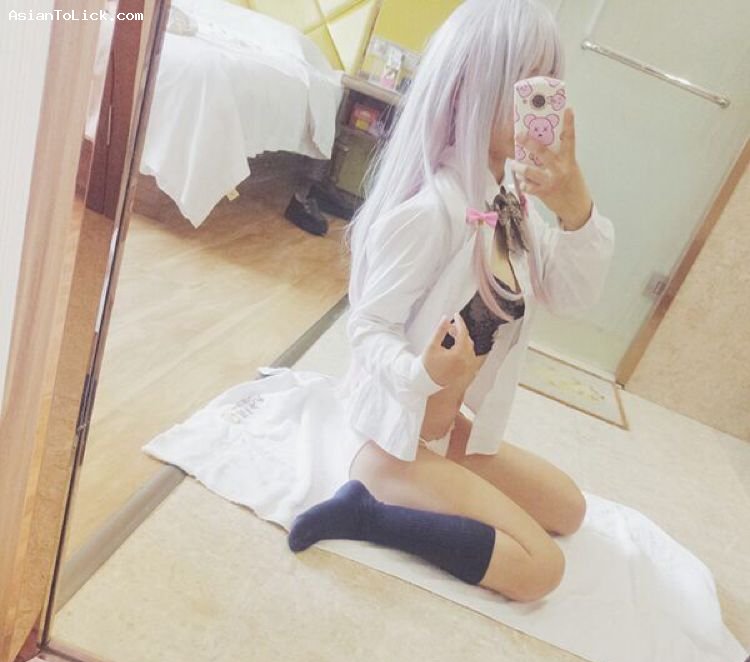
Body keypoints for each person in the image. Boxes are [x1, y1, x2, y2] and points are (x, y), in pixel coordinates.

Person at [146, 0, 614, 602]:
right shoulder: (432, 212)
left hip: (445, 428)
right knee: (540, 569)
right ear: (470, 86)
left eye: (548, 82)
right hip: (396, 436)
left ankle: (430, 481)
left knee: (570, 509)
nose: (539, 100)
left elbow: (571, 295)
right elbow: (367, 327)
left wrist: (575, 208)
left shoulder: (512, 202)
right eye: (524, 81)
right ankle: (368, 508)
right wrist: (423, 373)